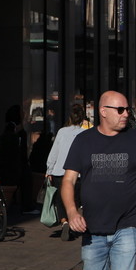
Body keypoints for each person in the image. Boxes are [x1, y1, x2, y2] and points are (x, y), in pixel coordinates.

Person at [61, 91, 136, 270]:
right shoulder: (83, 141)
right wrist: (71, 212)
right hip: (92, 228)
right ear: (103, 111)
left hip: (127, 226)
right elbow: (68, 180)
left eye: (128, 110)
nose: (126, 114)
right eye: (120, 110)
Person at [45, 103, 91, 240]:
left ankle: (64, 221)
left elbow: (54, 152)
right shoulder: (85, 134)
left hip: (59, 171)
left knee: (60, 199)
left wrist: (49, 169)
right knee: (74, 199)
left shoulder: (62, 132)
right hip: (78, 174)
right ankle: (73, 220)